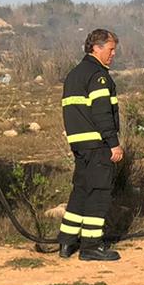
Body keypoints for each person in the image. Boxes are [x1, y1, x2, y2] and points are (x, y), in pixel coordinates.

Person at [58, 28, 123, 262]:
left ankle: (66, 241)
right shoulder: (98, 75)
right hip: (97, 145)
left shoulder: (75, 74)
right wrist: (113, 144)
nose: (113, 54)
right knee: (99, 193)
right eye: (111, 49)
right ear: (96, 47)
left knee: (82, 190)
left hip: (79, 145)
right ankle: (91, 246)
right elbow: (102, 113)